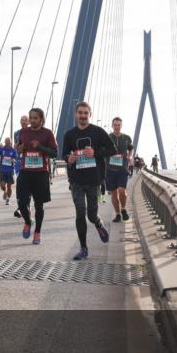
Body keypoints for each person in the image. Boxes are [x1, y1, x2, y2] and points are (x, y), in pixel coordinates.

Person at [61, 101, 116, 261]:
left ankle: (98, 223)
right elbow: (63, 154)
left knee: (91, 215)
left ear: (90, 114)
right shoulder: (69, 135)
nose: (83, 116)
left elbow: (112, 150)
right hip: (76, 180)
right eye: (80, 113)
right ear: (76, 114)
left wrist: (96, 152)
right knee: (80, 213)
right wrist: (68, 158)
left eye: (86, 113)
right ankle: (83, 248)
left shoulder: (98, 132)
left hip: (94, 179)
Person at [14, 108, 58, 245]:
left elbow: (54, 153)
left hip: (41, 173)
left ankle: (37, 232)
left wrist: (40, 147)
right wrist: (19, 149)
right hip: (25, 172)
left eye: (35, 118)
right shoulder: (24, 132)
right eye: (30, 118)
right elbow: (19, 148)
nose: (32, 120)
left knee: (39, 205)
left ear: (41, 119)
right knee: (21, 202)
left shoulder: (47, 133)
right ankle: (28, 221)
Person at [106, 117, 134, 223]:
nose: (117, 127)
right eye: (115, 125)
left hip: (123, 168)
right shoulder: (108, 137)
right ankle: (117, 214)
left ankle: (123, 209)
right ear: (112, 126)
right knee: (114, 193)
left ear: (121, 126)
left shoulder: (127, 137)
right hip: (110, 169)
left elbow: (131, 148)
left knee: (122, 190)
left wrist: (130, 156)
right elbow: (102, 149)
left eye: (119, 125)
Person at [12, 114, 29, 218]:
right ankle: (22, 207)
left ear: (29, 122)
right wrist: (17, 146)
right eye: (22, 120)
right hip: (19, 162)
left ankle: (23, 207)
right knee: (20, 184)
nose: (23, 122)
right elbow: (16, 145)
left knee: (27, 186)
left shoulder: (32, 132)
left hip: (29, 162)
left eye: (25, 120)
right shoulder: (16, 133)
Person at [0, 137, 18, 205]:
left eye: (9, 142)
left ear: (11, 142)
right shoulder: (2, 149)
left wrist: (13, 160)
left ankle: (8, 199)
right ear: (5, 142)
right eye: (6, 142)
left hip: (10, 170)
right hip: (3, 170)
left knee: (9, 186)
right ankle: (5, 191)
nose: (8, 143)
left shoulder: (13, 150)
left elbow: (16, 158)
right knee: (2, 185)